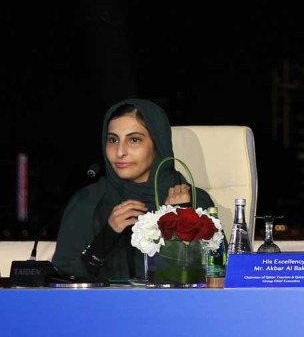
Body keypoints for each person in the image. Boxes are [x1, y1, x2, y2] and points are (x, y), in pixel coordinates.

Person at [52, 99, 214, 280]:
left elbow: (216, 275)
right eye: (113, 140)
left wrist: (182, 220)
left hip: (177, 307)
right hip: (104, 307)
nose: (120, 152)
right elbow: (61, 279)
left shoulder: (194, 201)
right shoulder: (89, 201)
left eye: (134, 140)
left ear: (158, 144)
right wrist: (108, 234)